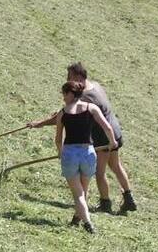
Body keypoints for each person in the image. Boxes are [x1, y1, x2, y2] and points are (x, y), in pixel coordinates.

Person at [29, 62, 138, 214]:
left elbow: (62, 118)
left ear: (79, 77)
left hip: (103, 136)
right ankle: (129, 199)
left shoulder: (85, 98)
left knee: (100, 173)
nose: (67, 80)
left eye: (70, 77)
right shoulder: (95, 85)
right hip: (114, 131)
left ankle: (105, 204)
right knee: (116, 166)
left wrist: (39, 124)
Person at [55, 81, 117, 234]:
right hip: (88, 153)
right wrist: (112, 142)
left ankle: (88, 223)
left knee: (78, 193)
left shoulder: (62, 113)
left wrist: (60, 152)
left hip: (70, 154)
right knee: (84, 189)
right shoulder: (91, 108)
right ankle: (77, 217)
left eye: (64, 94)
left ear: (70, 94)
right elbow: (107, 127)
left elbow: (58, 138)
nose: (63, 98)